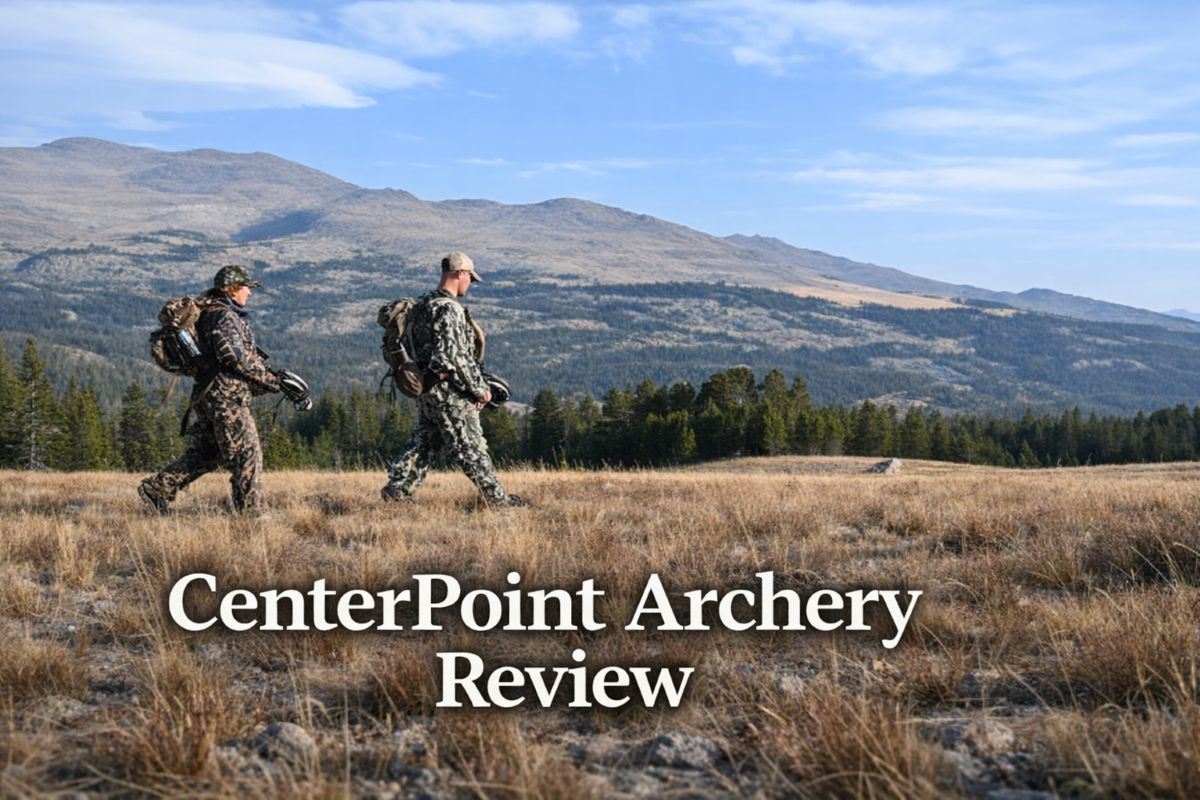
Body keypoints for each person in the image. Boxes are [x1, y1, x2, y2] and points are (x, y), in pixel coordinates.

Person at [381, 252, 528, 507]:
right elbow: (454, 357)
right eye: (470, 277)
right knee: (471, 447)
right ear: (460, 273)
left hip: (427, 388)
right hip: (449, 393)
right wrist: (479, 389)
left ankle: (397, 490)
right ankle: (498, 501)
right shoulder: (448, 308)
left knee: (425, 441)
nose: (470, 283)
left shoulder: (422, 304)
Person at [139, 265, 281, 514]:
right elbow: (234, 357)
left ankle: (157, 489)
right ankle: (252, 512)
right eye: (246, 286)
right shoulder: (224, 316)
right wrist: (270, 379)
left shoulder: (211, 313)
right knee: (247, 452)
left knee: (209, 451)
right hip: (226, 397)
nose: (249, 291)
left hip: (209, 393)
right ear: (232, 288)